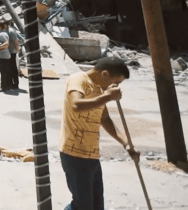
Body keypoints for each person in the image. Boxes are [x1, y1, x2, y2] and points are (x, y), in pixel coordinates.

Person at [59, 57, 139, 210]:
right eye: (116, 82)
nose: (116, 87)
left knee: (96, 205)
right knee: (82, 206)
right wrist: (108, 97)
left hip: (91, 155)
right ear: (105, 74)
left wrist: (126, 143)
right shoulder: (78, 80)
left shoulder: (100, 88)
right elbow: (76, 104)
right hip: (74, 154)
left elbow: (105, 118)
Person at [0, 22, 12, 92]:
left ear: (0, 26)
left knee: (3, 72)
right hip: (4, 56)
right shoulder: (1, 33)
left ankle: (3, 87)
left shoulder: (3, 34)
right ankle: (6, 86)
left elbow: (6, 44)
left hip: (4, 57)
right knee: (5, 72)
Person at [6, 24, 22, 91]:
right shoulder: (4, 30)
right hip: (7, 52)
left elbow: (16, 41)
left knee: (13, 68)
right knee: (8, 69)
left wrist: (17, 50)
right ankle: (10, 83)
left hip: (12, 52)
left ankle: (15, 84)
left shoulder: (11, 31)